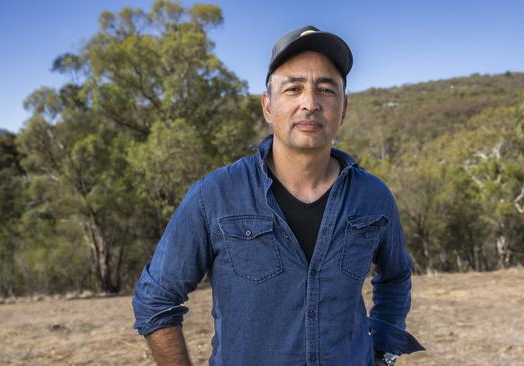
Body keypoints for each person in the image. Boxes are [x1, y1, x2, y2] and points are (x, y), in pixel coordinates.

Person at [132, 25, 424, 366]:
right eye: (293, 88)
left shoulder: (373, 197)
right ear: (268, 106)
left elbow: (395, 276)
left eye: (326, 90)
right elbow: (156, 299)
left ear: (343, 108)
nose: (310, 103)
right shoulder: (214, 196)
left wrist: (382, 353)